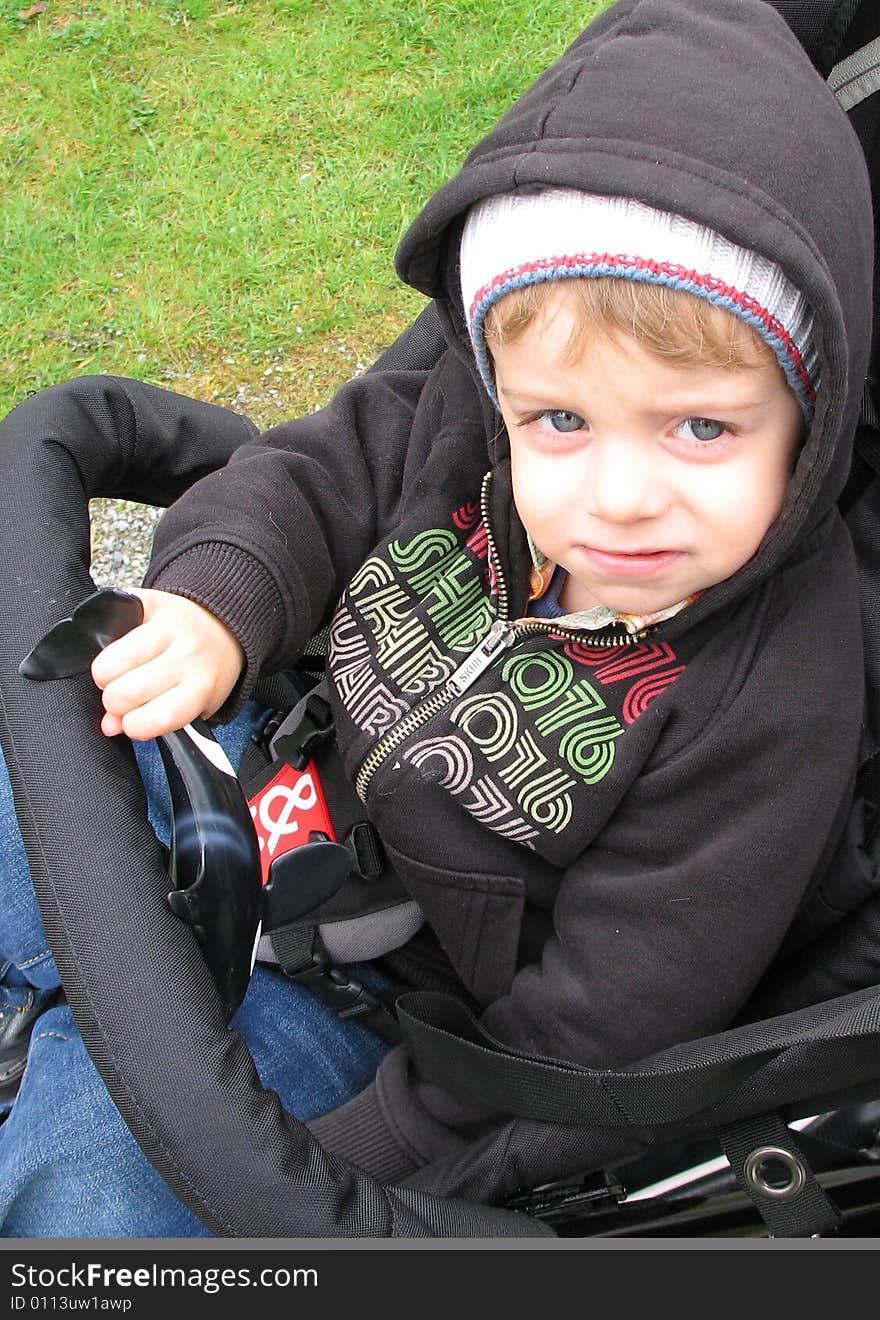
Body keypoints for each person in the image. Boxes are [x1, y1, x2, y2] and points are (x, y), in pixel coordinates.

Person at [0, 0, 873, 1236]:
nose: (619, 498)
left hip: (401, 1026)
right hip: (263, 790)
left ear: (811, 413)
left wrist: (352, 1166)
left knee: (91, 1205)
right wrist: (213, 605)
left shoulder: (767, 701)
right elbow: (310, 475)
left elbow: (600, 1030)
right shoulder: (461, 428)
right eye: (558, 422)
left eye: (702, 427)